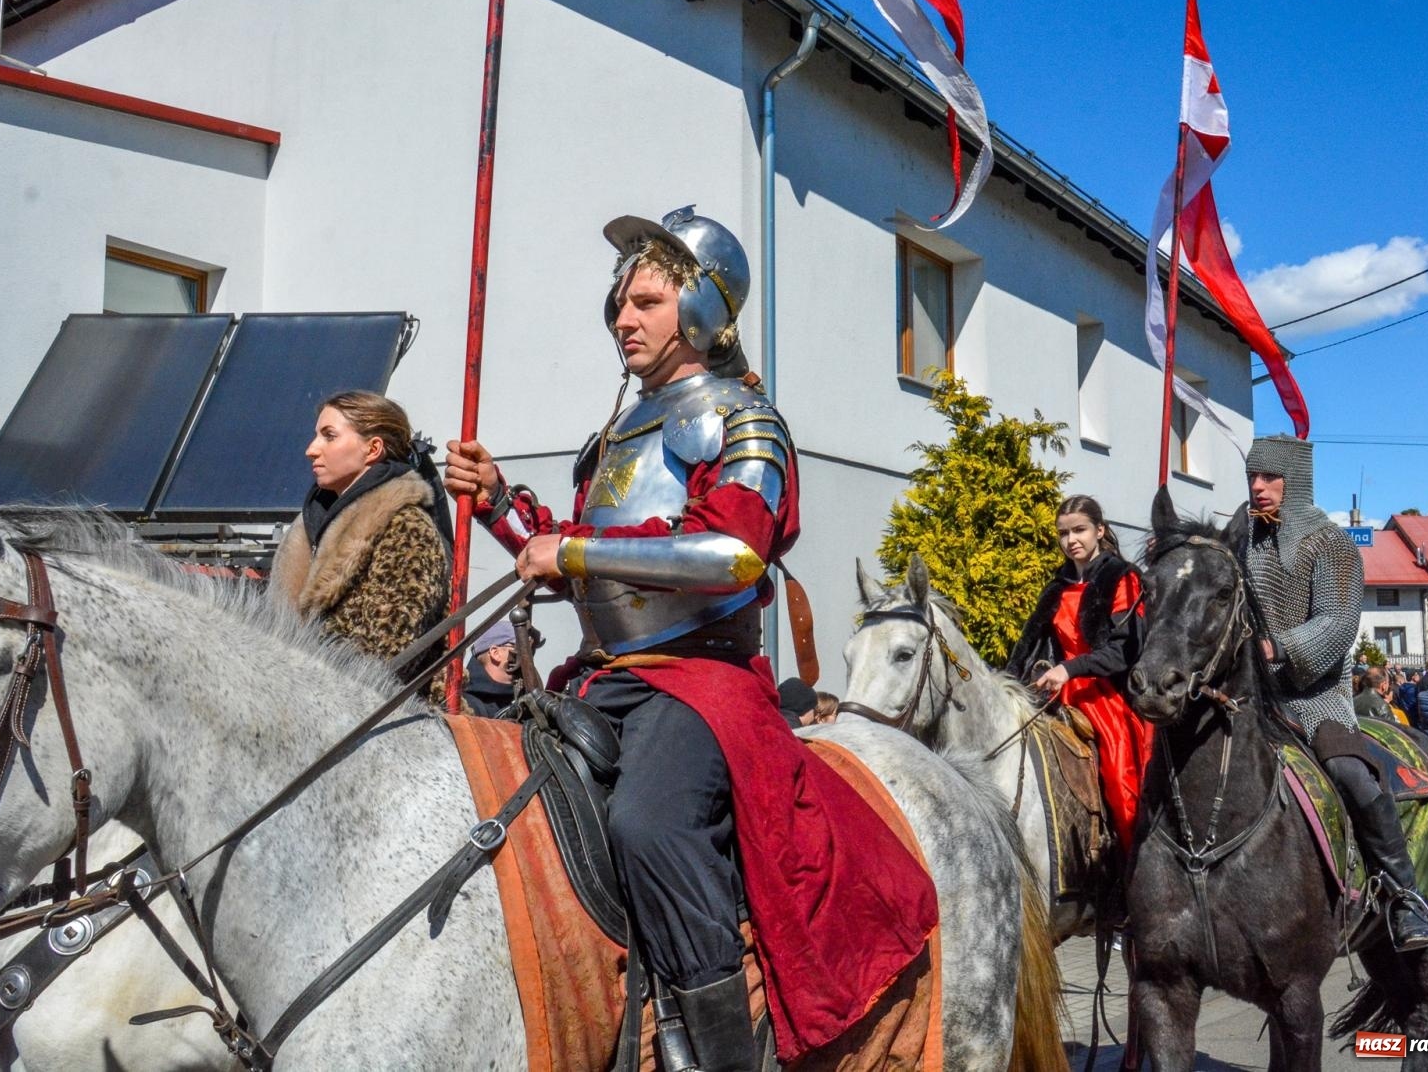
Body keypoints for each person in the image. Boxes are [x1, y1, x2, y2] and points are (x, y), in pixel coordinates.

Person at [443, 207, 935, 1068]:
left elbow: (733, 550)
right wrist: (497, 503)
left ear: (702, 311)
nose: (623, 319)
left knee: (648, 824)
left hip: (700, 681)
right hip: (600, 676)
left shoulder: (745, 420)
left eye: (647, 301)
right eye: (619, 305)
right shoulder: (619, 436)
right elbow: (578, 555)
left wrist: (577, 546)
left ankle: (719, 1051)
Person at [1241, 435, 1428, 952]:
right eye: (1252, 477)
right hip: (1251, 698)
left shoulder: (1329, 542)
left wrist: (1277, 645)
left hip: (1315, 699)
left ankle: (1403, 896)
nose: (1258, 487)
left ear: (1294, 479)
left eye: (1268, 477)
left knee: (1351, 775)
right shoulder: (1242, 539)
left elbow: (1338, 622)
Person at [1006, 494, 1152, 852]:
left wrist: (1070, 669)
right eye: (1063, 533)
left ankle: (1135, 860)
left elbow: (1125, 649)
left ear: (1099, 530)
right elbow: (1027, 647)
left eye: (1079, 530)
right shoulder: (1056, 587)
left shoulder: (1124, 577)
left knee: (1121, 782)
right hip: (1058, 690)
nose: (1071, 541)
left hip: (1110, 693)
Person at [271, 391, 451, 663]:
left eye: (329, 436)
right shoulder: (314, 525)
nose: (311, 449)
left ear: (373, 449)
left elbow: (390, 651)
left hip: (388, 703)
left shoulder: (407, 528)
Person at [462, 619, 518, 717]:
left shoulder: (515, 707)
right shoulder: (465, 707)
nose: (527, 657)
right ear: (495, 653)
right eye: (519, 648)